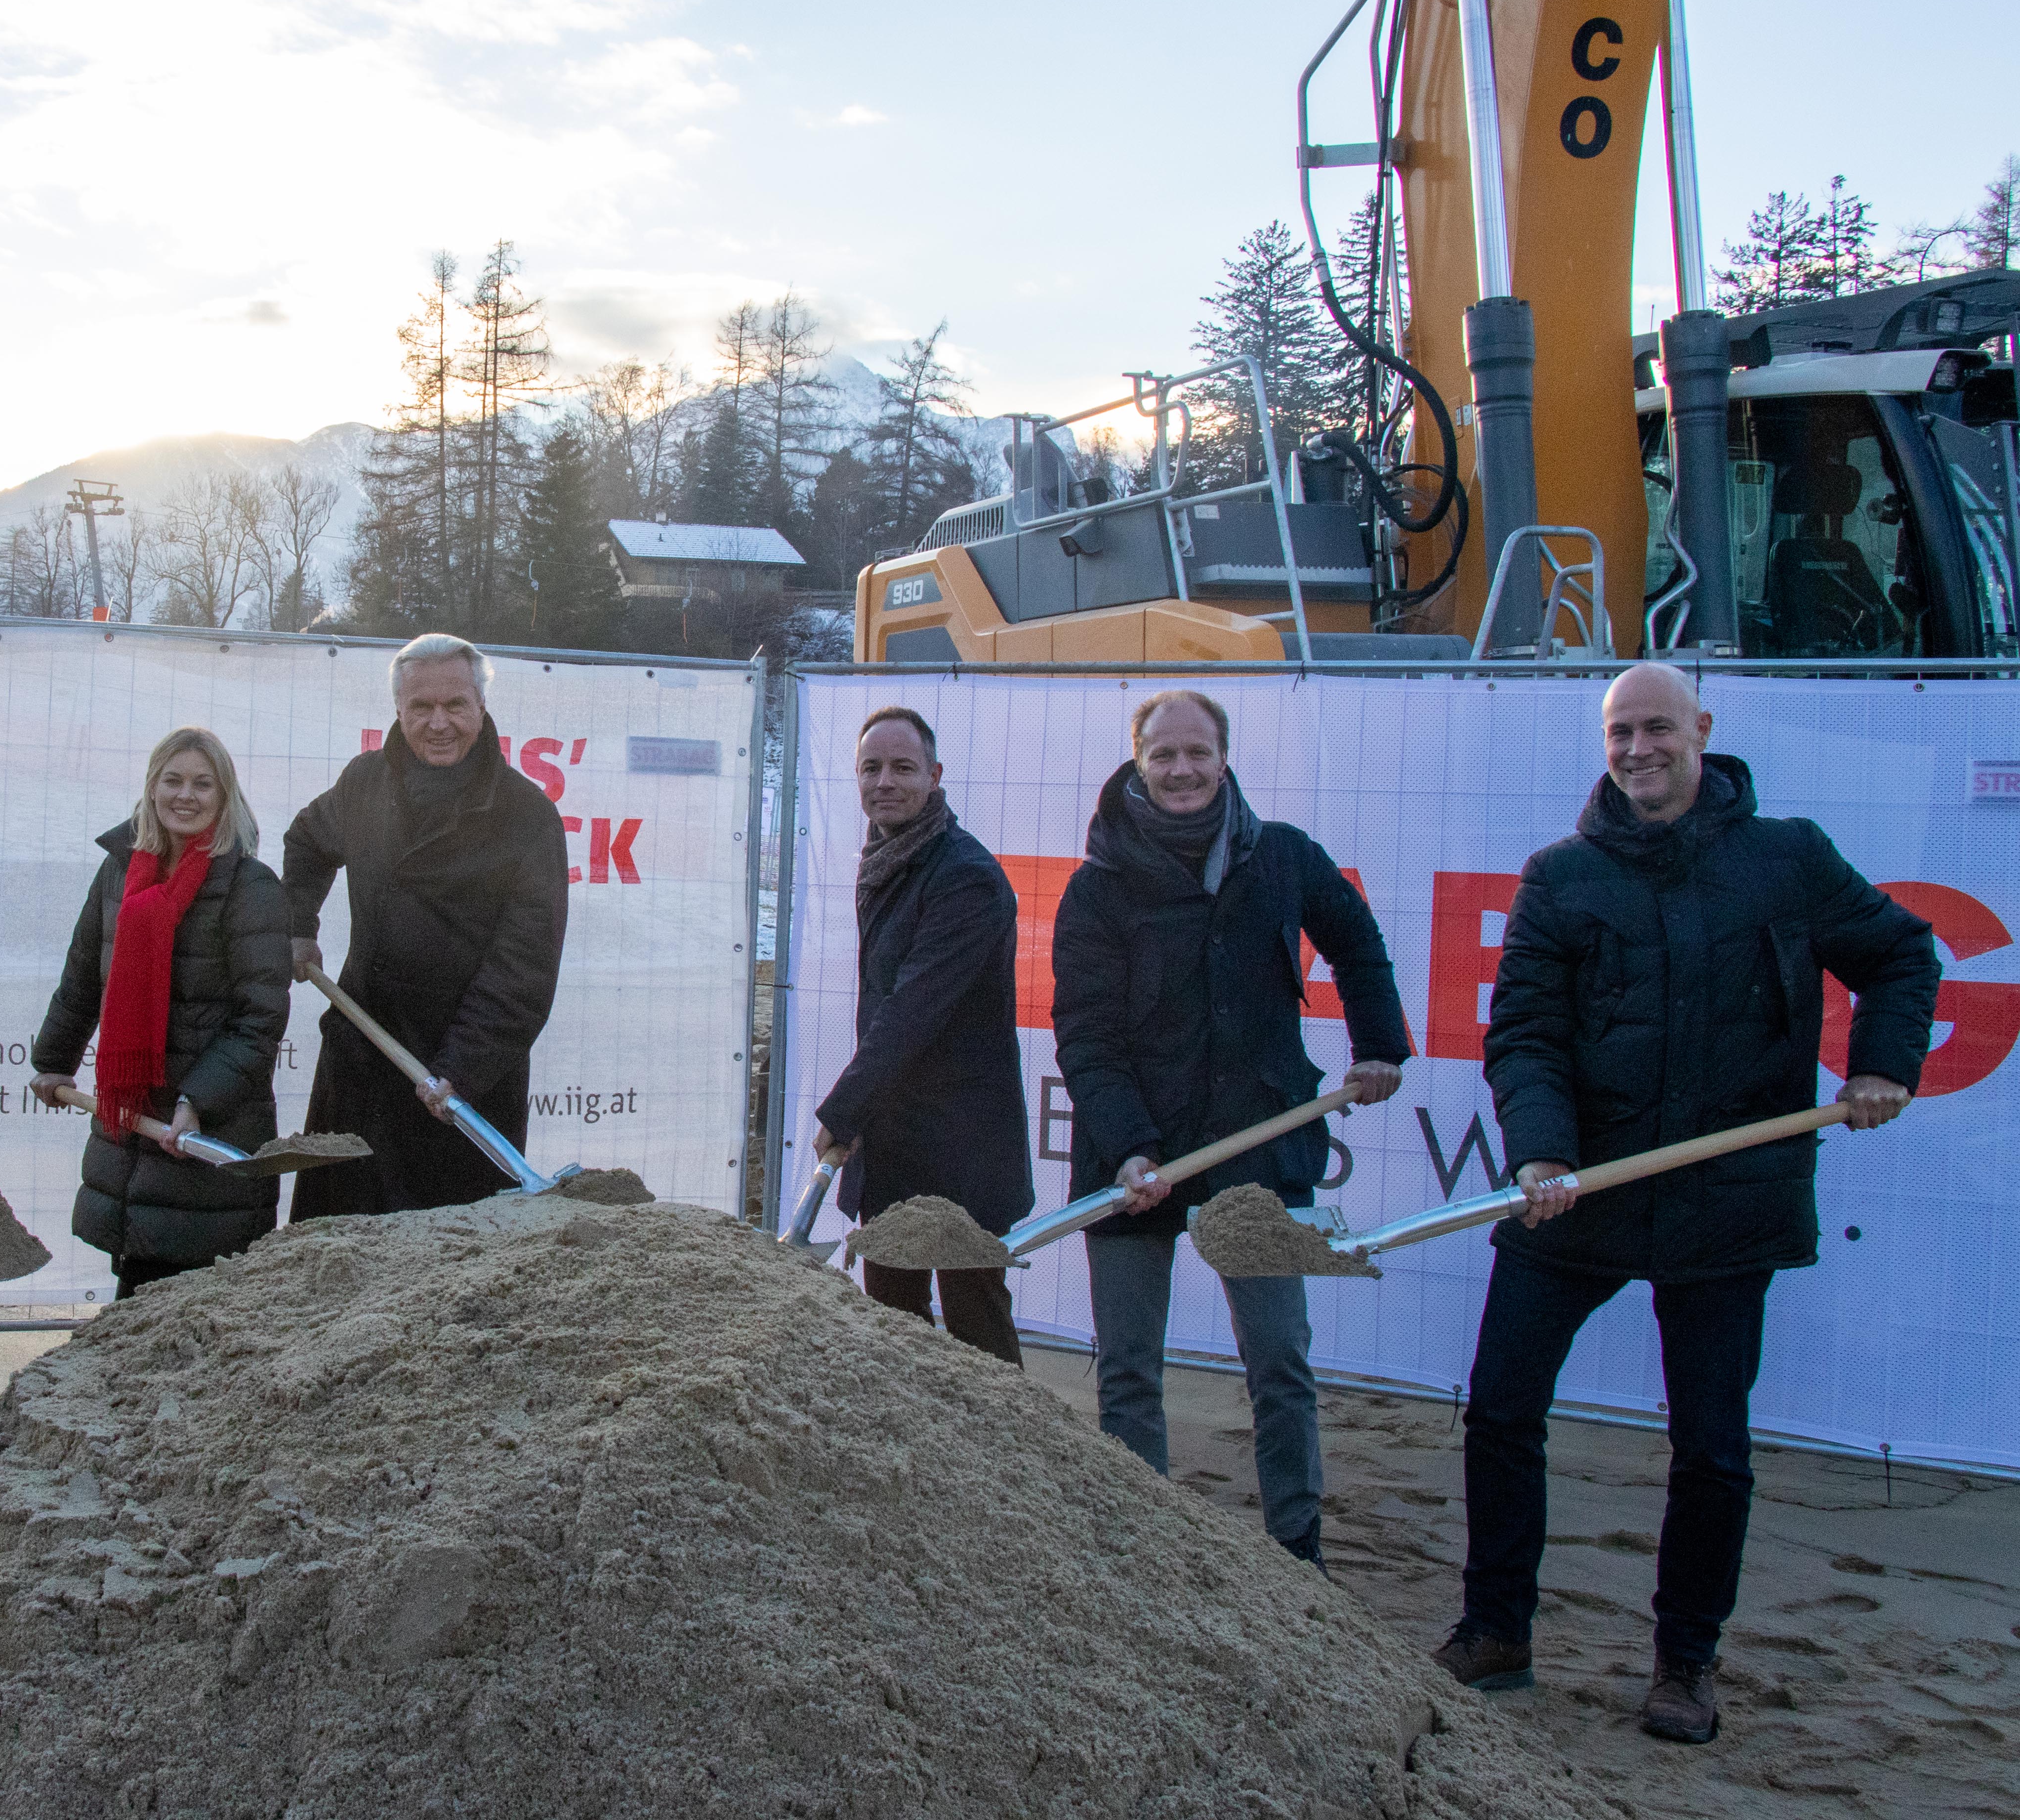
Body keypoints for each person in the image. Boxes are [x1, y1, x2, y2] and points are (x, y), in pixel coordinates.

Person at [1435, 663, 1938, 1744]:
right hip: (1581, 1193)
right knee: (1502, 1408)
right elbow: (1524, 1034)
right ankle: (1496, 1629)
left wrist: (1881, 1065)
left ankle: (1685, 1662)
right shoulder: (1561, 876)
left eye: (1657, 727)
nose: (1638, 749)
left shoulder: (1788, 859)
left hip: (1727, 1200)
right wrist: (1542, 1154)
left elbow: (1901, 952)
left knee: (1712, 1445)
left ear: (1702, 729)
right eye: (1619, 731)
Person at [1050, 688, 1409, 1567]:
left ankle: (1297, 1555)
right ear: (1139, 762)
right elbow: (1086, 1036)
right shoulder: (1098, 886)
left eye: (1197, 753)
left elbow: (1358, 944)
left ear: (1223, 758)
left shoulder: (1281, 856)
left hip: (1260, 1146)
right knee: (1128, 1368)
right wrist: (1131, 1147)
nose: (1181, 770)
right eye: (1163, 755)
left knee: (1280, 1362)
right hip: (1133, 1162)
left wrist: (1378, 1048)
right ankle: (1142, 1555)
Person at [282, 634, 571, 1217]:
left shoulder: (527, 817)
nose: (439, 723)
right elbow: (307, 841)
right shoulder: (364, 784)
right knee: (337, 1248)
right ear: (398, 709)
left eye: (455, 705)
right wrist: (297, 926)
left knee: (448, 1256)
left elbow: (524, 969)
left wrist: (460, 1068)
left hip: (458, 1090)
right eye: (421, 707)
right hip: (361, 1064)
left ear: (481, 707)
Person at [30, 727, 291, 1299]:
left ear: (225, 796)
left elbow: (260, 1018)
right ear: (152, 788)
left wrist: (197, 1101)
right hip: (132, 1126)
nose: (186, 796)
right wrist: (53, 1061)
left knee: (194, 1305)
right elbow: (83, 977)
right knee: (135, 1284)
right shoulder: (119, 872)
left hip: (206, 1133)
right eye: (173, 781)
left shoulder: (250, 886)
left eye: (203, 784)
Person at [815, 705, 1031, 1366]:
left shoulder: (965, 876)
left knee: (977, 1335)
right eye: (871, 768)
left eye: (903, 768)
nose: (885, 782)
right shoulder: (888, 862)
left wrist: (843, 1111)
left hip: (963, 1149)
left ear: (934, 776)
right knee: (893, 1336)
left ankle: (1005, 1432)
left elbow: (912, 1010)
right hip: (895, 1146)